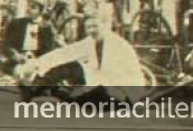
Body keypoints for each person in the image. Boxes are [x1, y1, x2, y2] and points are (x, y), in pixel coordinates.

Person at [12, 10, 145, 104]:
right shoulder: (91, 41)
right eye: (88, 27)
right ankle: (35, 88)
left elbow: (112, 76)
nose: (91, 30)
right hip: (102, 86)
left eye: (95, 26)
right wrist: (32, 66)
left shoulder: (117, 45)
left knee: (75, 92)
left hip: (123, 91)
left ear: (105, 25)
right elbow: (63, 54)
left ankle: (44, 90)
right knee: (70, 66)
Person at [0, 0, 57, 75]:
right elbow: (5, 44)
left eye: (33, 7)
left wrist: (34, 58)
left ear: (41, 11)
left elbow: (48, 51)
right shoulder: (16, 23)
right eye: (28, 6)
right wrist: (15, 55)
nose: (28, 9)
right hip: (16, 63)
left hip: (37, 64)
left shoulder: (47, 28)